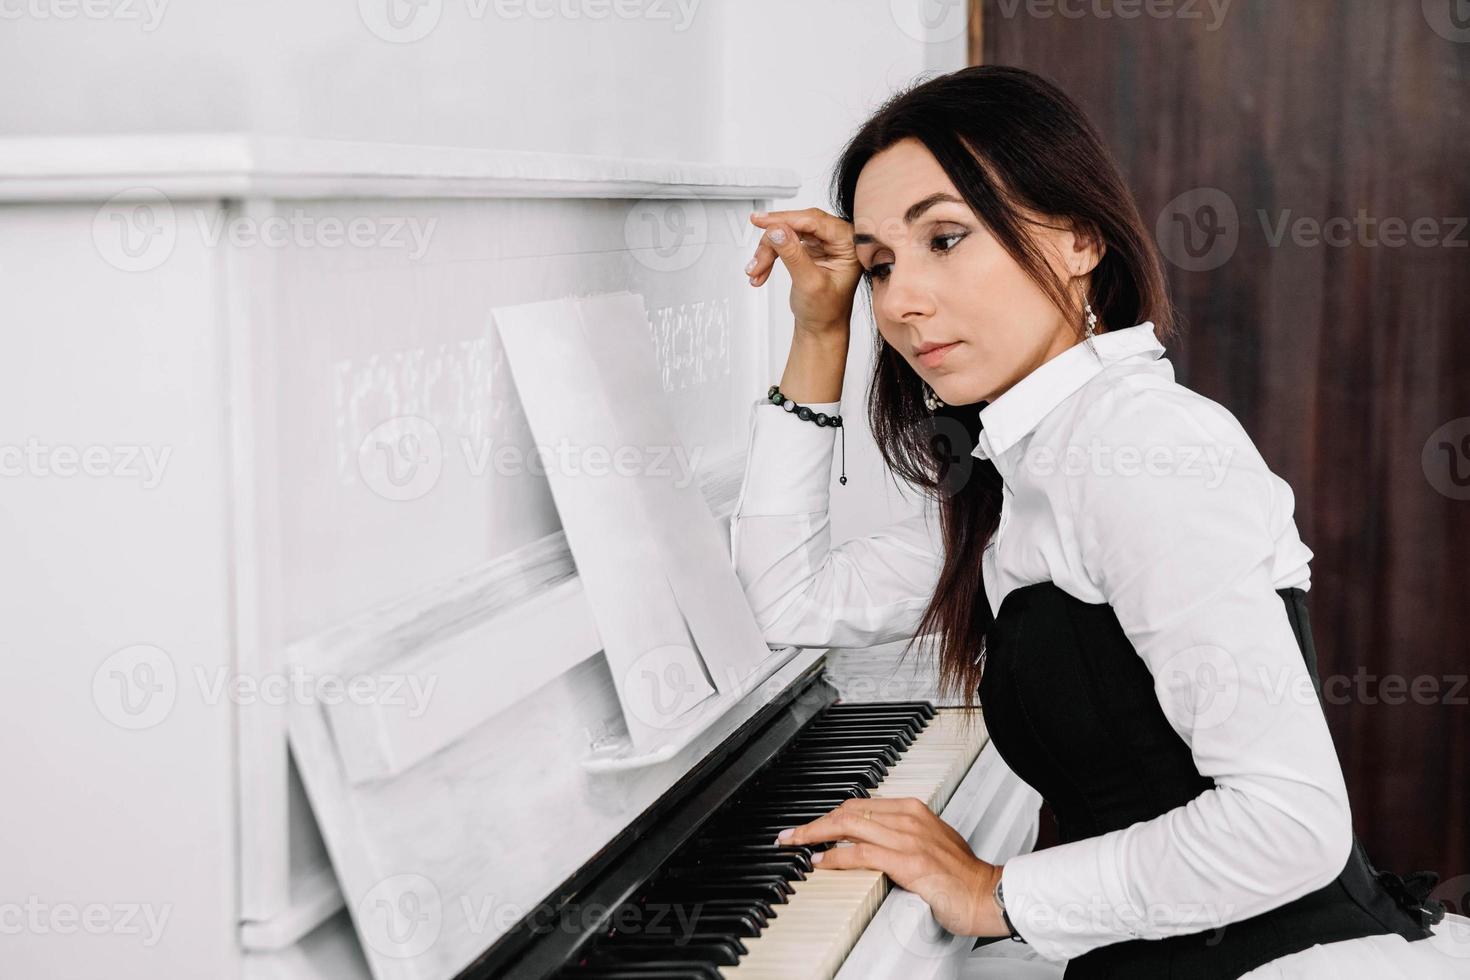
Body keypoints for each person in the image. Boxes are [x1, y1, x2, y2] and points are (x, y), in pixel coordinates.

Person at [727, 65, 1470, 978]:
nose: (901, 301)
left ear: (1080, 237)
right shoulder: (1017, 473)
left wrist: (994, 891)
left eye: (946, 238)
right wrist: (817, 332)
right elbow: (789, 602)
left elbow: (1291, 825)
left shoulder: (1143, 448)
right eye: (881, 265)